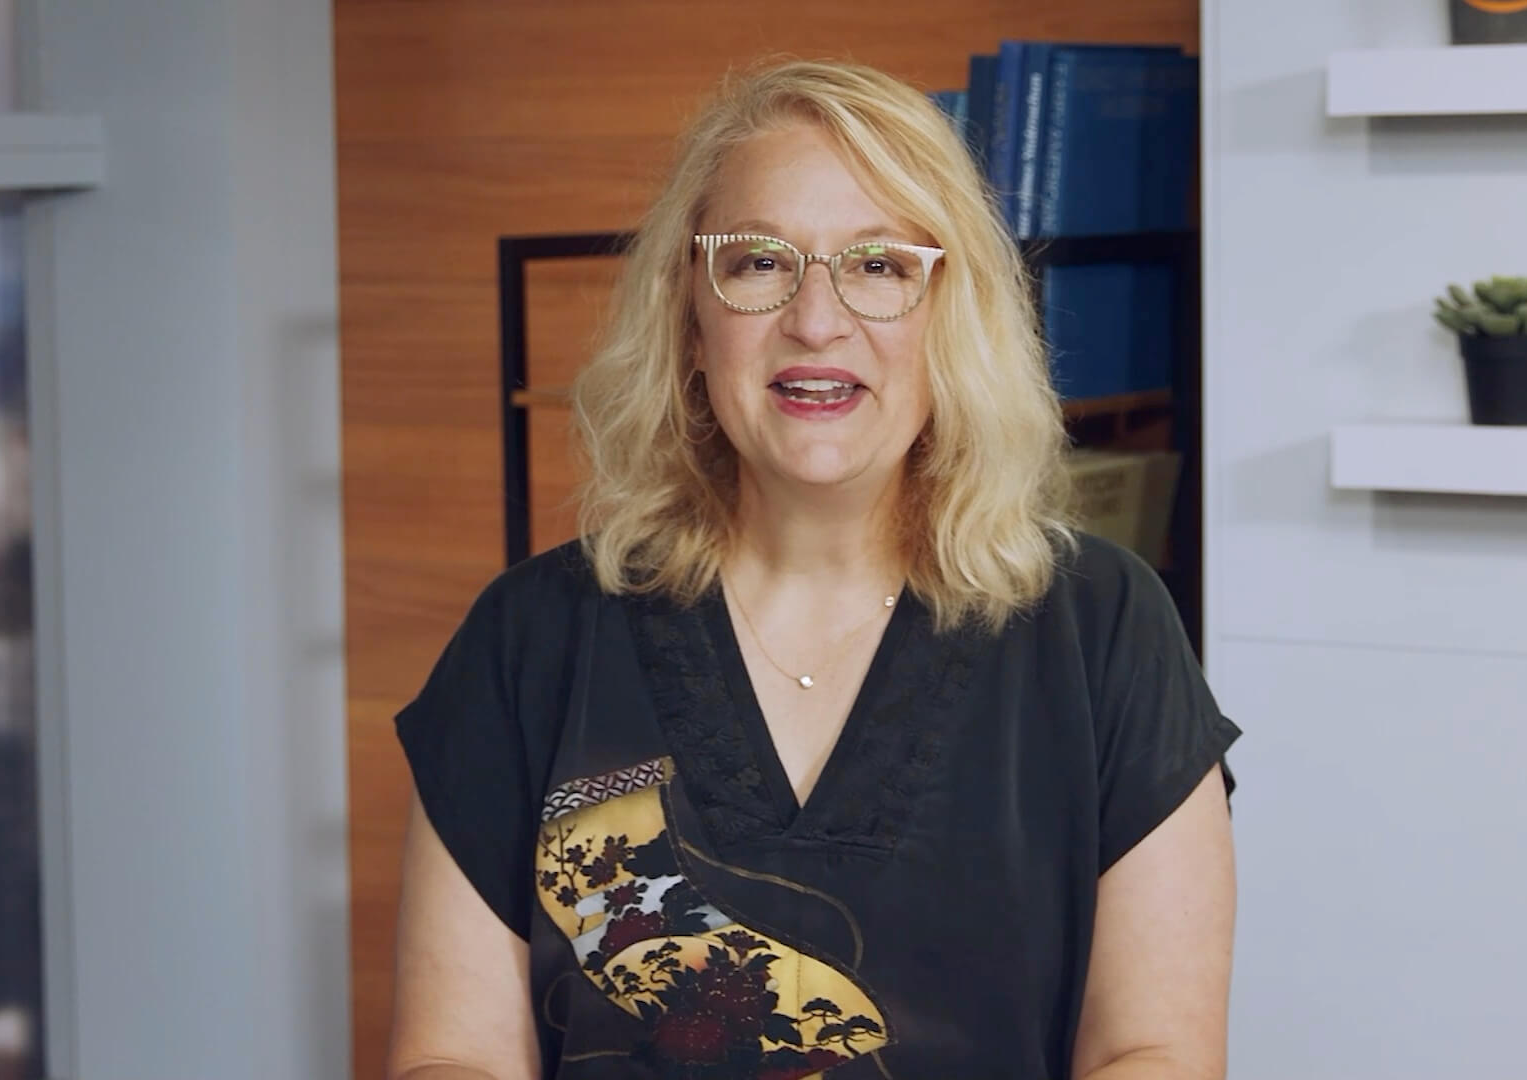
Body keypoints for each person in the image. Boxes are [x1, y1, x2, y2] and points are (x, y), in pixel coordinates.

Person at [386, 57, 1241, 1080]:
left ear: (949, 318)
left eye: (880, 266)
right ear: (690, 322)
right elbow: (453, 1055)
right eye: (758, 264)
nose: (817, 318)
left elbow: (1154, 1051)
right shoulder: (527, 639)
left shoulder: (1104, 626)